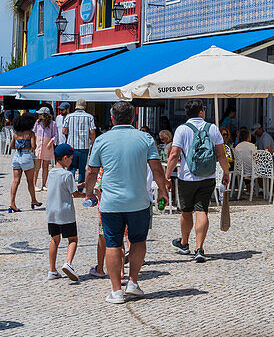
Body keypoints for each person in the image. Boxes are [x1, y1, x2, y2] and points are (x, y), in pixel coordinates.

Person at [84, 101, 167, 301]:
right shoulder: (145, 138)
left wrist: (89, 194)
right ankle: (133, 282)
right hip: (138, 201)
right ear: (134, 118)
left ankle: (116, 291)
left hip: (110, 203)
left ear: (112, 118)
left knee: (113, 243)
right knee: (138, 241)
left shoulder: (101, 140)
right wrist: (163, 190)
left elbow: (92, 171)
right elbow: (156, 168)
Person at [166, 99, 230, 263]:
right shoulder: (213, 128)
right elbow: (221, 155)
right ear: (201, 111)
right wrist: (225, 172)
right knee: (202, 210)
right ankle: (199, 248)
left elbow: (174, 155)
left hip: (187, 177)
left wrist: (167, 176)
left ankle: (184, 243)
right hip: (207, 176)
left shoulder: (182, 129)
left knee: (186, 212)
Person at [46, 144, 85, 282]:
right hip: (65, 212)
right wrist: (86, 195)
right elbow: (74, 194)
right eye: (70, 158)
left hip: (51, 212)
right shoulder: (68, 174)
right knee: (73, 239)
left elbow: (60, 186)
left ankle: (52, 270)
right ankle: (68, 263)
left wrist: (77, 185)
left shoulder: (51, 173)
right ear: (64, 157)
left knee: (54, 240)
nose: (71, 161)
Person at [8, 112, 41, 213]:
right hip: (26, 156)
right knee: (30, 181)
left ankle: (12, 203)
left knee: (15, 181)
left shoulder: (15, 134)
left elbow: (11, 146)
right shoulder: (30, 133)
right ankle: (33, 200)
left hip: (17, 156)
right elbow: (33, 146)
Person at [63, 98, 97, 194]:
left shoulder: (69, 117)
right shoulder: (89, 117)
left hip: (71, 146)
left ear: (76, 106)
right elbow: (92, 132)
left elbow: (64, 131)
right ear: (85, 107)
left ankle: (71, 188)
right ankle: (80, 188)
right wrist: (93, 143)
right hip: (84, 146)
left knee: (71, 167)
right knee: (82, 168)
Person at [34, 107, 58, 192]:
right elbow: (34, 132)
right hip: (38, 146)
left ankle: (44, 184)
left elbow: (55, 135)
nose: (39, 115)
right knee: (37, 166)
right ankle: (34, 184)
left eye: (40, 114)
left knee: (45, 166)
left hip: (47, 146)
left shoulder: (53, 124)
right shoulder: (37, 123)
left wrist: (50, 142)